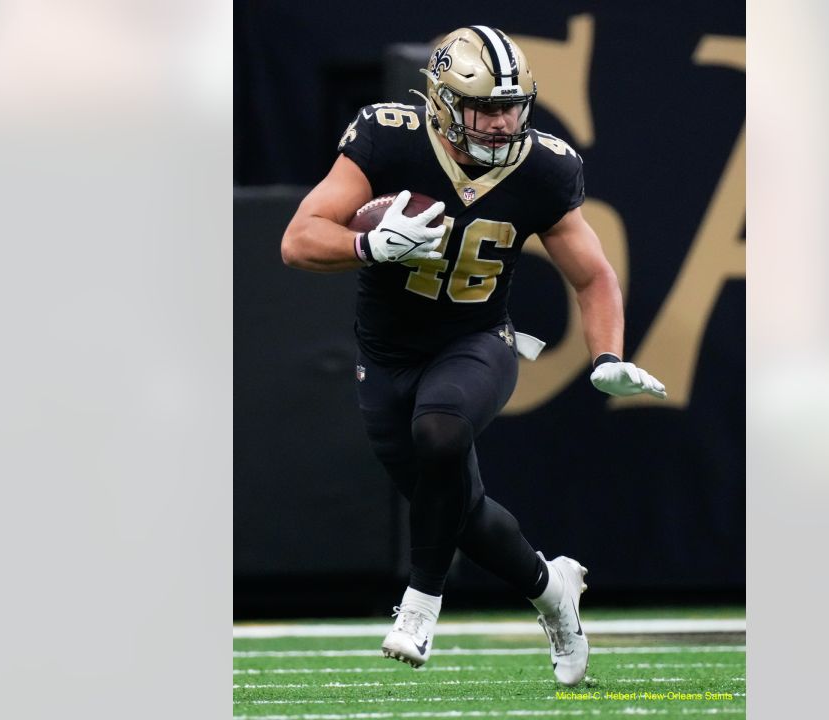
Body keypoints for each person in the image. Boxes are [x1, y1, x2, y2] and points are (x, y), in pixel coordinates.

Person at [280, 25, 667, 687]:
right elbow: (298, 240)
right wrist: (367, 247)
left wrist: (605, 355)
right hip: (387, 357)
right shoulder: (389, 136)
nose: (499, 121)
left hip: (478, 342)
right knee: (465, 514)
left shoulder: (543, 166)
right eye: (484, 106)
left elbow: (594, 274)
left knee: (441, 432)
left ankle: (421, 604)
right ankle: (553, 591)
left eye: (511, 106)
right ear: (441, 103)